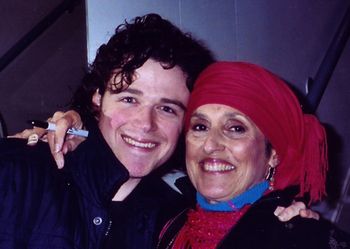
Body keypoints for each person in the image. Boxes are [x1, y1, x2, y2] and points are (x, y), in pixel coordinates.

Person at [5, 14, 316, 249]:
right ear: (98, 99)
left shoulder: (170, 221)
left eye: (167, 108)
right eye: (129, 99)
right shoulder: (19, 175)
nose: (145, 124)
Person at [157, 61, 350, 249]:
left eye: (235, 128)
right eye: (200, 127)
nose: (210, 144)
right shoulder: (166, 221)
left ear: (273, 154)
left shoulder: (299, 236)